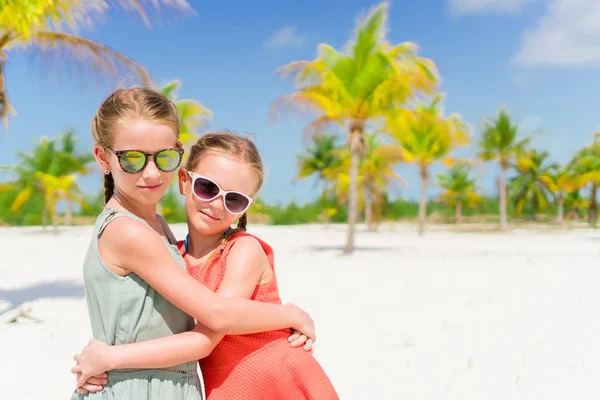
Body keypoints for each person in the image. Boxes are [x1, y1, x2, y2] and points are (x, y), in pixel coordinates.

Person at [70, 88, 315, 400]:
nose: (152, 172)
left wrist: (109, 357)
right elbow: (217, 314)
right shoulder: (129, 232)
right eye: (132, 159)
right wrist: (292, 314)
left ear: (178, 154)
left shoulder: (158, 227)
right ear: (103, 157)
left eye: (165, 157)